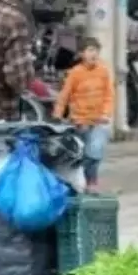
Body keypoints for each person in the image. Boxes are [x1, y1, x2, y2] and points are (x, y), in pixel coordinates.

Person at [53, 37, 113, 193]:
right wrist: (57, 115)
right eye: (90, 50)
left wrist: (106, 113)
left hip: (99, 120)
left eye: (96, 50)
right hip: (80, 121)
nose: (94, 54)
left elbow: (109, 95)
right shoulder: (75, 73)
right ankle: (82, 183)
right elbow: (64, 96)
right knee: (83, 154)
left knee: (95, 152)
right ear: (82, 54)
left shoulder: (103, 71)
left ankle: (92, 182)